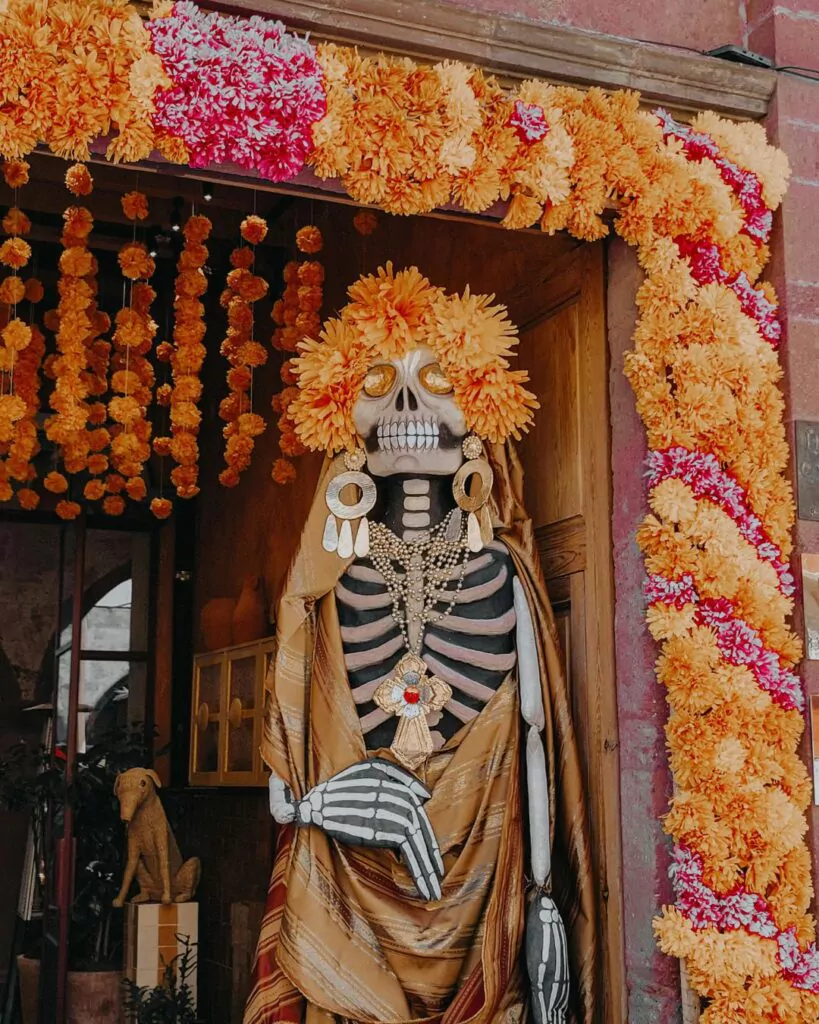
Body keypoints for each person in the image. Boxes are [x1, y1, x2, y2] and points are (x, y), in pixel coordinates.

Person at [244, 265, 598, 1024]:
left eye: (432, 380)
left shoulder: (505, 572)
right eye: (380, 383)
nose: (405, 405)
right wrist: (313, 806)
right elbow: (283, 763)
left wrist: (541, 902)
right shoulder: (323, 583)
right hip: (352, 887)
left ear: (477, 411)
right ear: (344, 413)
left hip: (484, 902)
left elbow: (534, 734)